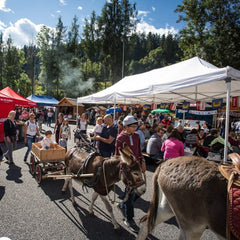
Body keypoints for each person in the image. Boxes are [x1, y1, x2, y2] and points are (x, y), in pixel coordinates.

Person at [115, 115, 146, 233]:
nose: (135, 128)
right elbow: (117, 156)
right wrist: (124, 167)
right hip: (127, 170)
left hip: (137, 168)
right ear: (126, 127)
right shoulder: (120, 138)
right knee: (131, 192)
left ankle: (123, 204)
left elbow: (139, 151)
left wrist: (142, 161)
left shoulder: (137, 136)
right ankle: (129, 219)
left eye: (136, 126)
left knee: (142, 189)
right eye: (133, 126)